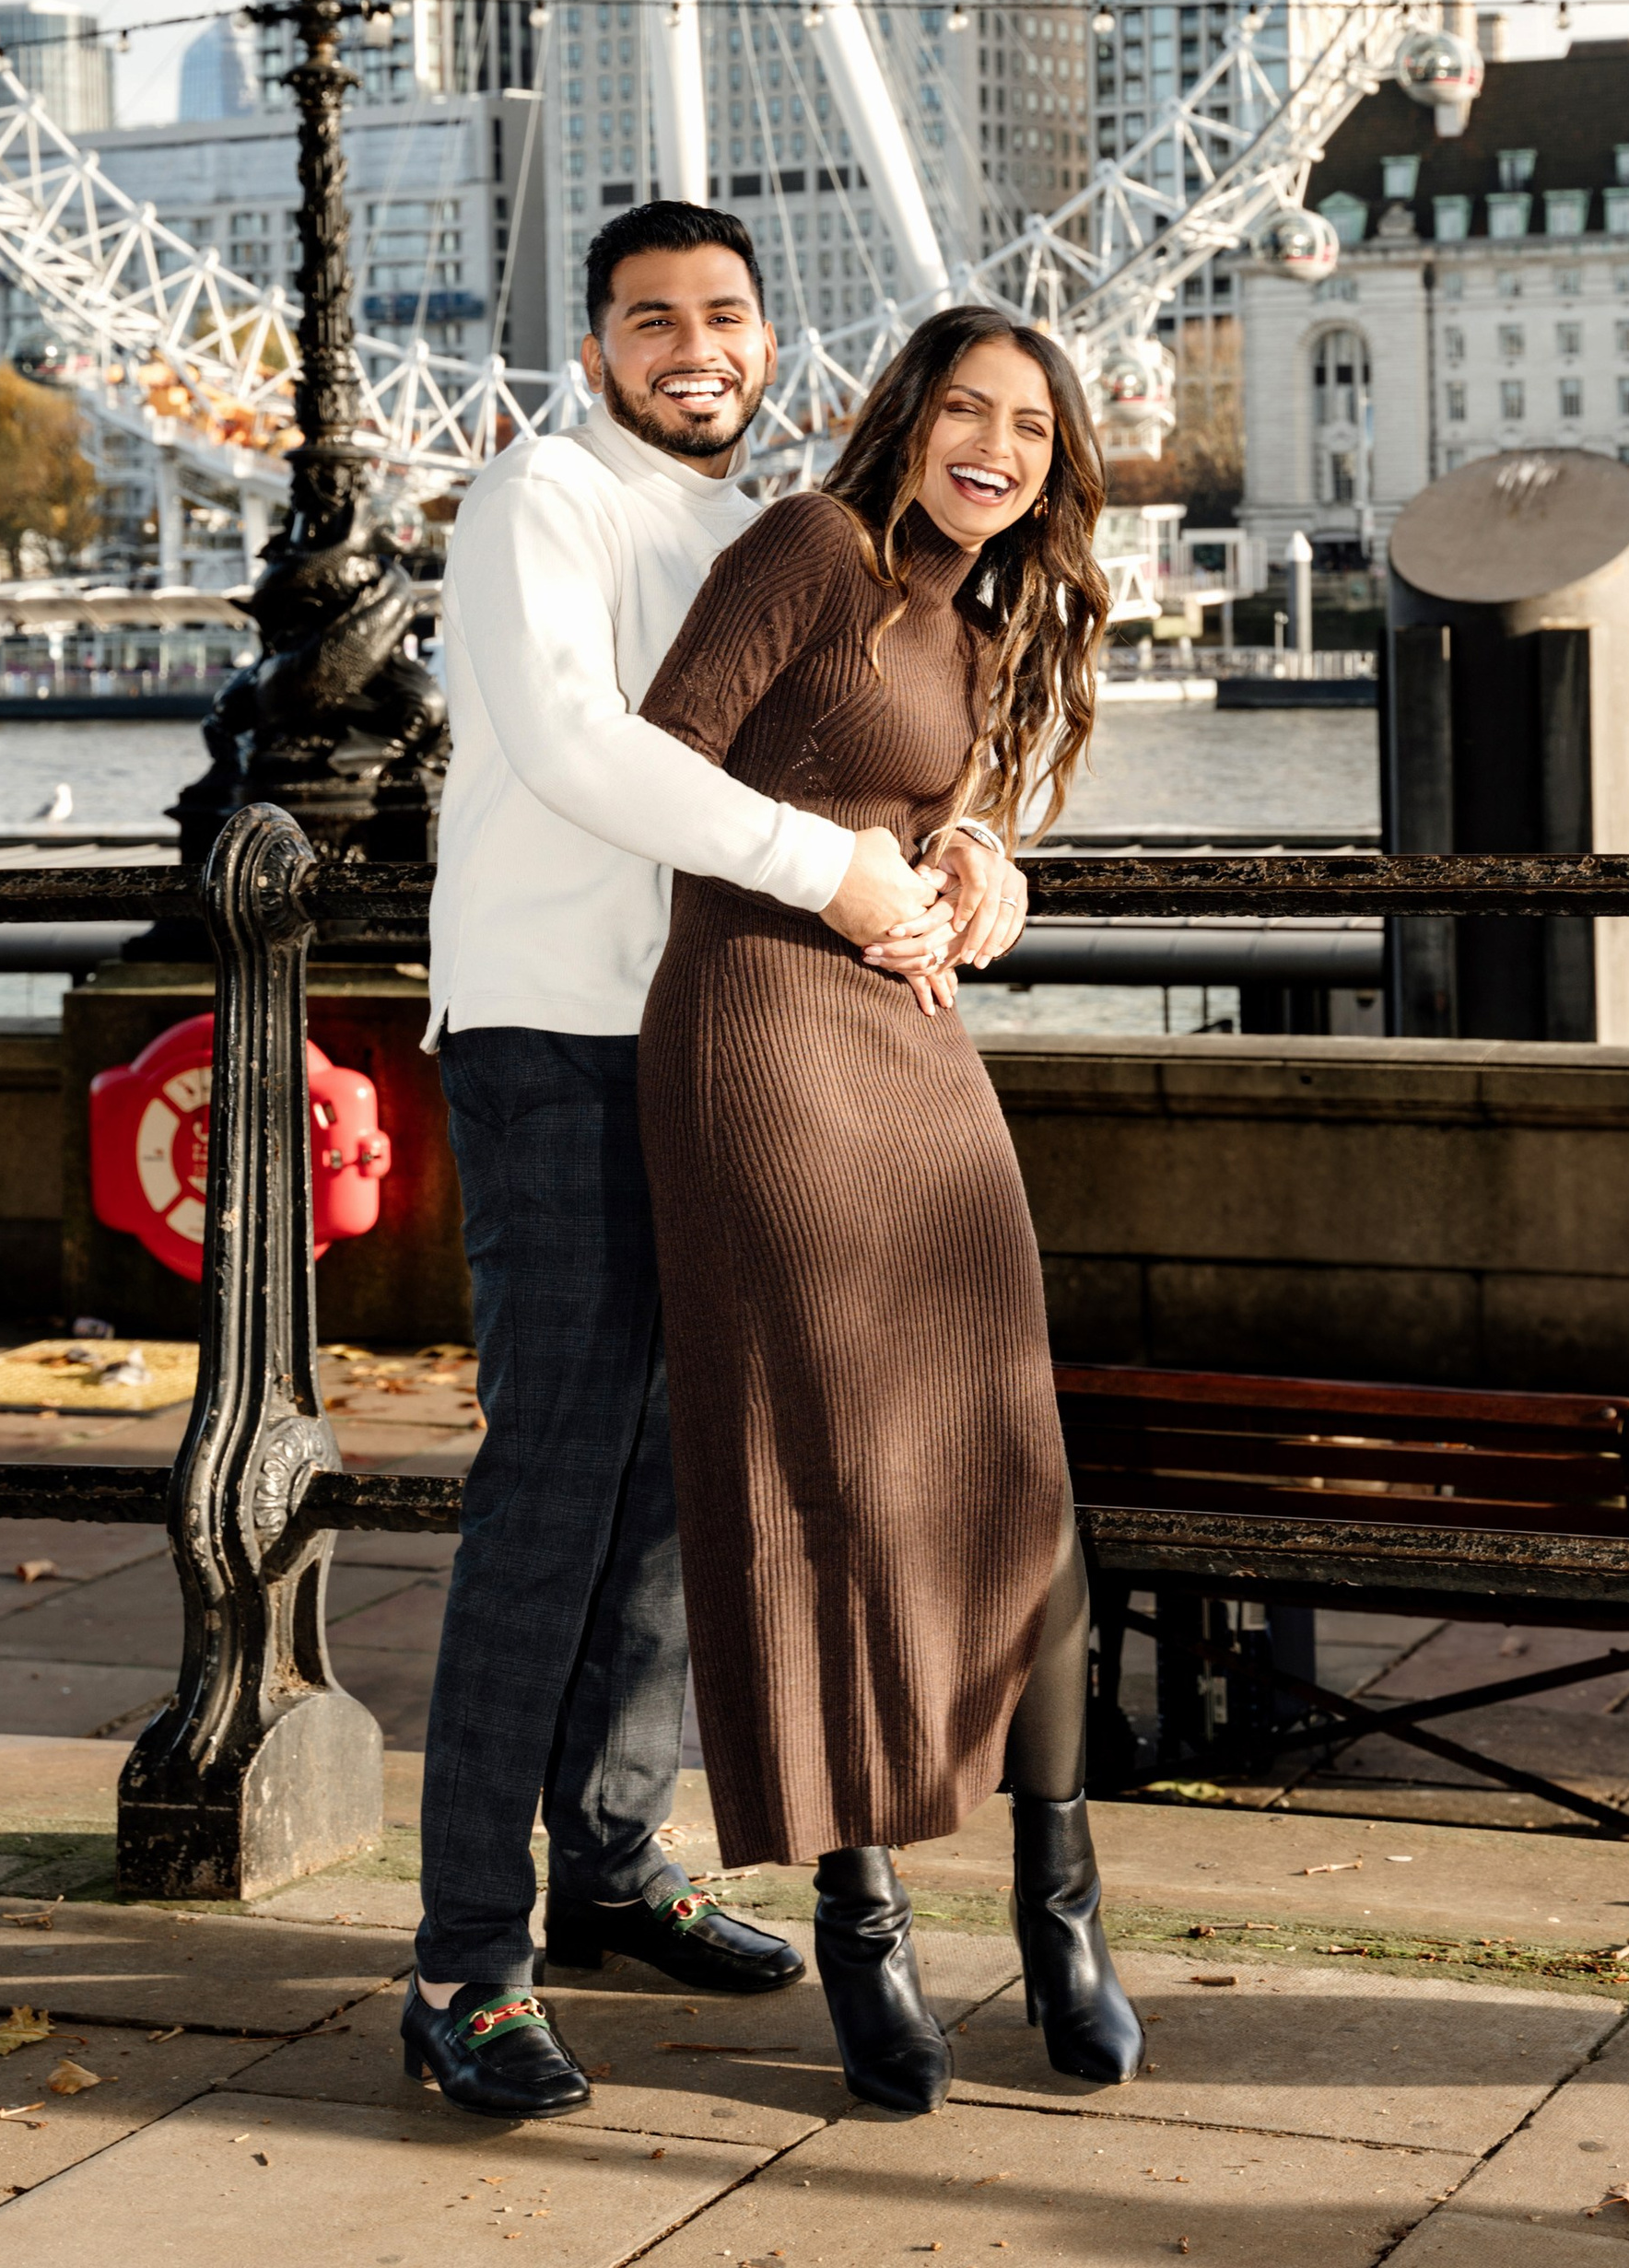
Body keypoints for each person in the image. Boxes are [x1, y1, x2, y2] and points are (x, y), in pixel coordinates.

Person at [404, 205, 1027, 2121]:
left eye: (723, 314)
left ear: (768, 341)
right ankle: (463, 1963)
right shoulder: (541, 503)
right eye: (649, 317)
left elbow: (883, 754)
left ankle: (604, 1857)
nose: (693, 344)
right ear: (591, 347)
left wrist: (972, 857)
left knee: (696, 1491)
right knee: (553, 1498)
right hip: (562, 1042)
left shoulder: (778, 529)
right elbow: (590, 747)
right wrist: (831, 873)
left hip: (740, 1060)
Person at [635, 301, 1142, 2118]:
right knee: (835, 1476)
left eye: (1027, 424)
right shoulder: (806, 548)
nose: (992, 444)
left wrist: (979, 861)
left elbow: (938, 802)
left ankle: (1060, 1901)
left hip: (917, 1058)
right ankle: (866, 1924)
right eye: (964, 408)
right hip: (760, 1040)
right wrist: (839, 878)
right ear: (905, 417)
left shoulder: (977, 610)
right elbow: (656, 772)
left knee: (1012, 1467)